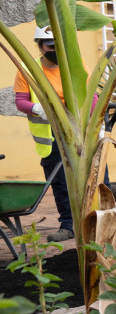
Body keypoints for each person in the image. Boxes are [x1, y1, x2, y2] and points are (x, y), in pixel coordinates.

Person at [13, 26, 74, 241]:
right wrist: (36, 108)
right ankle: (68, 226)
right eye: (50, 45)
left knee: (95, 177)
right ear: (40, 47)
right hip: (50, 137)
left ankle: (97, 222)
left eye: (59, 45)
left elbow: (91, 96)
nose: (55, 49)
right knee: (59, 181)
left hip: (77, 130)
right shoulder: (28, 70)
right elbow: (20, 101)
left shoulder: (74, 65)